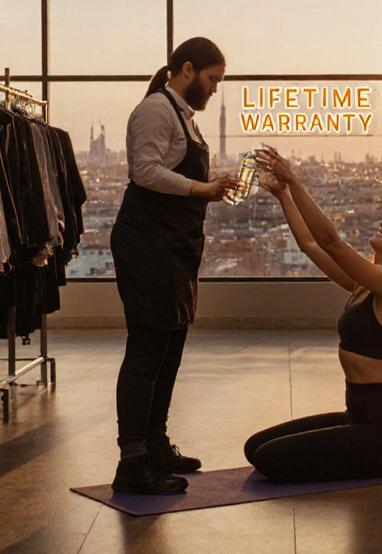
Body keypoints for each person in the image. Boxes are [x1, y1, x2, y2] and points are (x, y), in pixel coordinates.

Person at [244, 147, 382, 483]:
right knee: (255, 447)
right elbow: (311, 245)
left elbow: (331, 240)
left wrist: (293, 178)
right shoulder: (365, 283)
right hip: (359, 416)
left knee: (267, 458)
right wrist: (283, 196)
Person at [110, 37, 238, 495]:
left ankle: (156, 444)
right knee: (147, 351)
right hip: (148, 246)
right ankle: (132, 461)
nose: (214, 90)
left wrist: (211, 187)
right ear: (187, 69)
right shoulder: (155, 111)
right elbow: (144, 171)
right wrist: (202, 190)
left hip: (174, 248)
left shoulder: (184, 116)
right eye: (212, 80)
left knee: (170, 349)